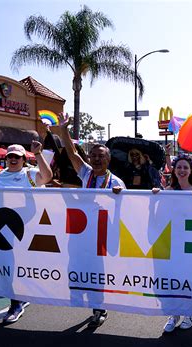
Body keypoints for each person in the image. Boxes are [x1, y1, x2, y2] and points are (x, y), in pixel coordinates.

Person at [52, 114, 125, 328]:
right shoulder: (86, 174)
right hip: (82, 232)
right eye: (93, 155)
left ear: (108, 159)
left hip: (102, 234)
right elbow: (72, 152)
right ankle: (83, 298)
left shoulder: (116, 182)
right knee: (77, 264)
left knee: (98, 271)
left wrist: (120, 196)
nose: (96, 159)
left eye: (101, 156)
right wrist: (64, 129)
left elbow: (124, 211)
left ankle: (99, 307)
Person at [0, 142, 53, 323]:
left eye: (18, 156)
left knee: (21, 265)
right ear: (6, 158)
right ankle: (16, 302)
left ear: (24, 159)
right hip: (1, 227)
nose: (13, 159)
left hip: (27, 227)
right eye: (10, 156)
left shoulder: (30, 174)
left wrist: (38, 153)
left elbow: (47, 176)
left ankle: (20, 299)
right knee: (8, 265)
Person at [153, 154, 192, 332]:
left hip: (190, 243)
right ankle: (174, 314)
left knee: (189, 278)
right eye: (179, 167)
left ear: (191, 171)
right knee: (172, 278)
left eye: (185, 168)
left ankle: (190, 312)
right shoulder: (168, 190)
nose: (182, 170)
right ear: (174, 170)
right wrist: (156, 198)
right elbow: (160, 216)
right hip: (172, 242)